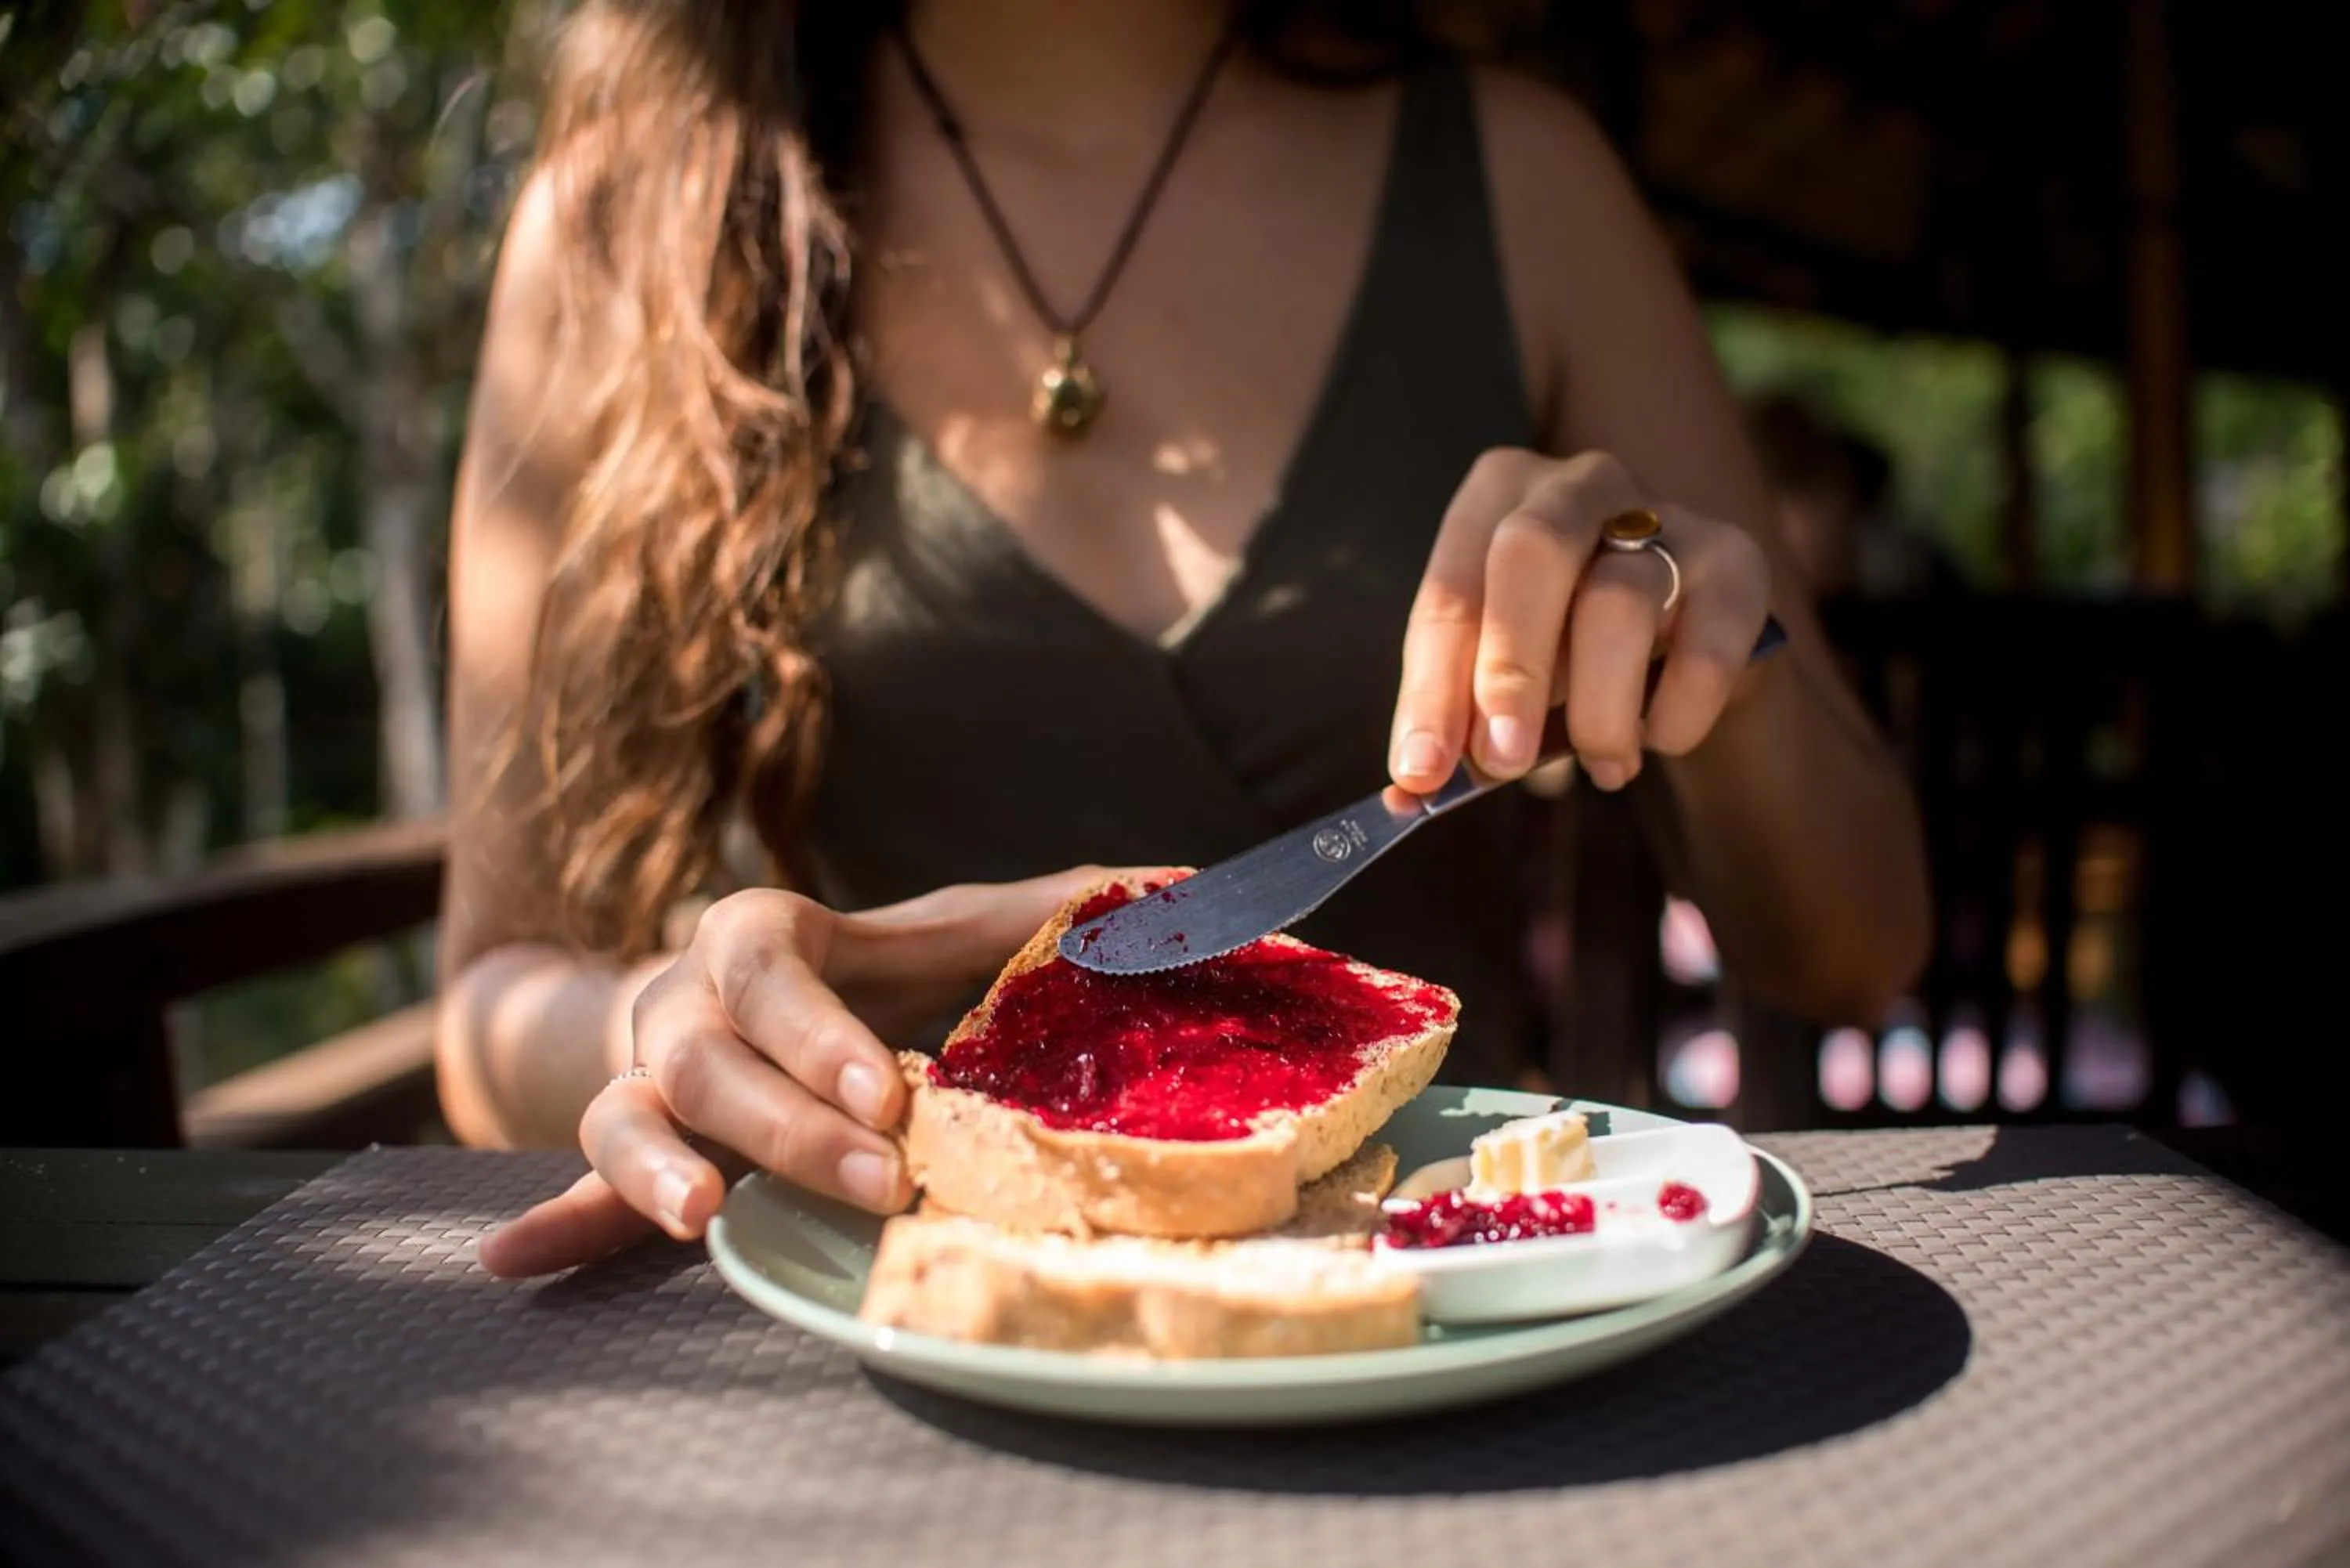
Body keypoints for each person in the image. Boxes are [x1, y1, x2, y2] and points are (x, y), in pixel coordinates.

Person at [439, 0, 1931, 1279]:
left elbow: (1866, 952)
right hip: (894, 1348)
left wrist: (1709, 666)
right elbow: (494, 989)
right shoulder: (628, 227)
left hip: (1457, 1330)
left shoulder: (1524, 184)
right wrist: (684, 1028)